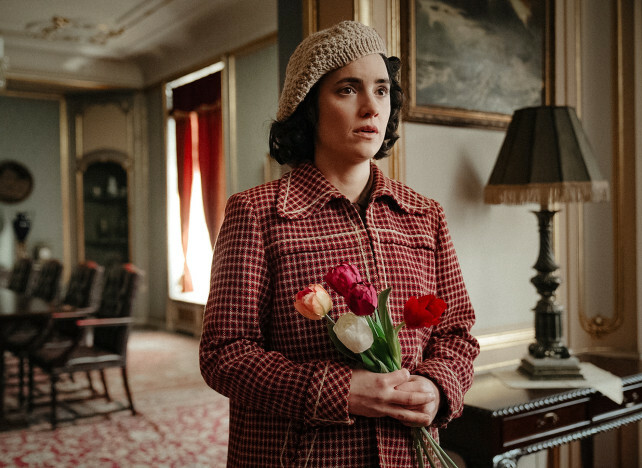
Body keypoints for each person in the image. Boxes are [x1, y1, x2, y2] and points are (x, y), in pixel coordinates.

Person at [199, 20, 479, 467]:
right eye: (348, 89)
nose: (371, 107)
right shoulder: (256, 213)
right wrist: (337, 391)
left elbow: (457, 333)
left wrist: (438, 386)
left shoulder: (425, 215)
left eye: (382, 91)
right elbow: (224, 354)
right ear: (308, 107)